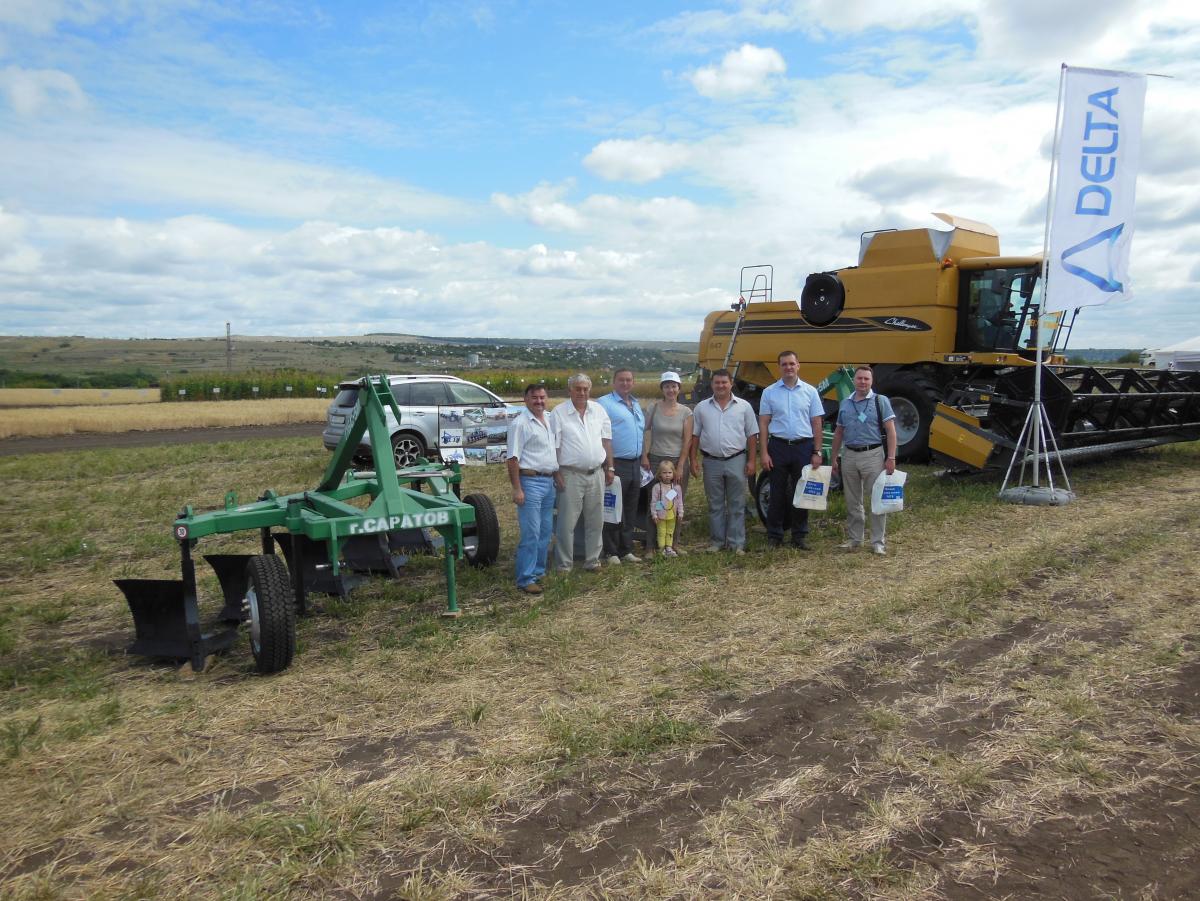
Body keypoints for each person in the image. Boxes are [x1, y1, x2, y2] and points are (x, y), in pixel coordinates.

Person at [758, 350, 824, 550]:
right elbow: (763, 424)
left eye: (791, 364)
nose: (788, 367)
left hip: (803, 447)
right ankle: (774, 536)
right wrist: (764, 452)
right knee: (777, 493)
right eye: (784, 364)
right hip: (777, 446)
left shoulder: (810, 391)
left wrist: (817, 451)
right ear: (779, 367)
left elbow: (817, 423)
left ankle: (799, 535)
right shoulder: (769, 392)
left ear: (798, 365)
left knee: (802, 492)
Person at [829, 365, 898, 556]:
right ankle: (855, 539)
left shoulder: (880, 401)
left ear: (871, 381)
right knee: (853, 501)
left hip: (873, 455)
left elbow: (891, 431)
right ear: (854, 380)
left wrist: (891, 457)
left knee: (876, 499)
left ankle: (877, 541)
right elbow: (839, 432)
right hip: (849, 455)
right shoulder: (845, 403)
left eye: (866, 379)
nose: (862, 382)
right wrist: (834, 458)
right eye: (859, 378)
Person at [550, 373, 613, 572]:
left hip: (596, 474)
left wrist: (609, 467)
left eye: (585, 389)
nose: (582, 392)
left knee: (596, 521)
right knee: (566, 524)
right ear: (570, 390)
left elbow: (606, 441)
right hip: (570, 475)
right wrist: (556, 472)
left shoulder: (599, 410)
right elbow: (554, 446)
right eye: (577, 388)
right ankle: (564, 565)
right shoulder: (559, 413)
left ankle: (592, 561)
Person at [691, 369, 758, 555]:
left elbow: (752, 435)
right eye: (717, 383)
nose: (720, 386)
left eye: (724, 382)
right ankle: (717, 542)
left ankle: (737, 543)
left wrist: (752, 461)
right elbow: (695, 436)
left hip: (736, 459)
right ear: (712, 384)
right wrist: (693, 459)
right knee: (715, 504)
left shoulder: (744, 406)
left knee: (737, 503)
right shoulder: (702, 407)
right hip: (711, 462)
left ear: (731, 384)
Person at [506, 383, 560, 595]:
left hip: (548, 482)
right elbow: (512, 459)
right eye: (534, 398)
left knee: (545, 531)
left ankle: (538, 571)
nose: (539, 401)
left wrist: (556, 474)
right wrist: (517, 489)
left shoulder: (549, 419)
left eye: (542, 397)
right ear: (525, 400)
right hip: (530, 482)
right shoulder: (520, 424)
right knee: (531, 532)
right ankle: (525, 578)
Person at [640, 371, 696, 551]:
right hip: (656, 461)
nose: (670, 390)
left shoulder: (686, 412)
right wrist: (644, 455)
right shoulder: (653, 408)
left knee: (674, 500)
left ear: (679, 388)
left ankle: (673, 544)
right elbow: (644, 431)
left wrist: (680, 466)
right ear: (662, 389)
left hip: (676, 462)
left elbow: (687, 440)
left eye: (673, 386)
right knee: (655, 501)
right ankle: (651, 545)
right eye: (666, 386)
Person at [597, 367, 644, 564]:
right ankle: (611, 551)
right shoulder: (604, 404)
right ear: (614, 382)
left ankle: (626, 549)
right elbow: (599, 435)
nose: (626, 383)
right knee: (613, 508)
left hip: (635, 463)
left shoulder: (635, 403)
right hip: (616, 464)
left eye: (629, 380)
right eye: (621, 380)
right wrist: (609, 465)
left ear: (633, 382)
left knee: (631, 508)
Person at [650, 459, 685, 557]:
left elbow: (679, 501)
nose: (667, 475)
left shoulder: (676, 488)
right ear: (660, 474)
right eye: (664, 472)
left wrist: (680, 512)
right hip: (660, 516)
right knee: (661, 532)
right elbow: (654, 502)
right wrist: (654, 514)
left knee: (670, 531)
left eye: (669, 472)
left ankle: (669, 547)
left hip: (672, 515)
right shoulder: (657, 487)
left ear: (673, 473)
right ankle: (661, 548)